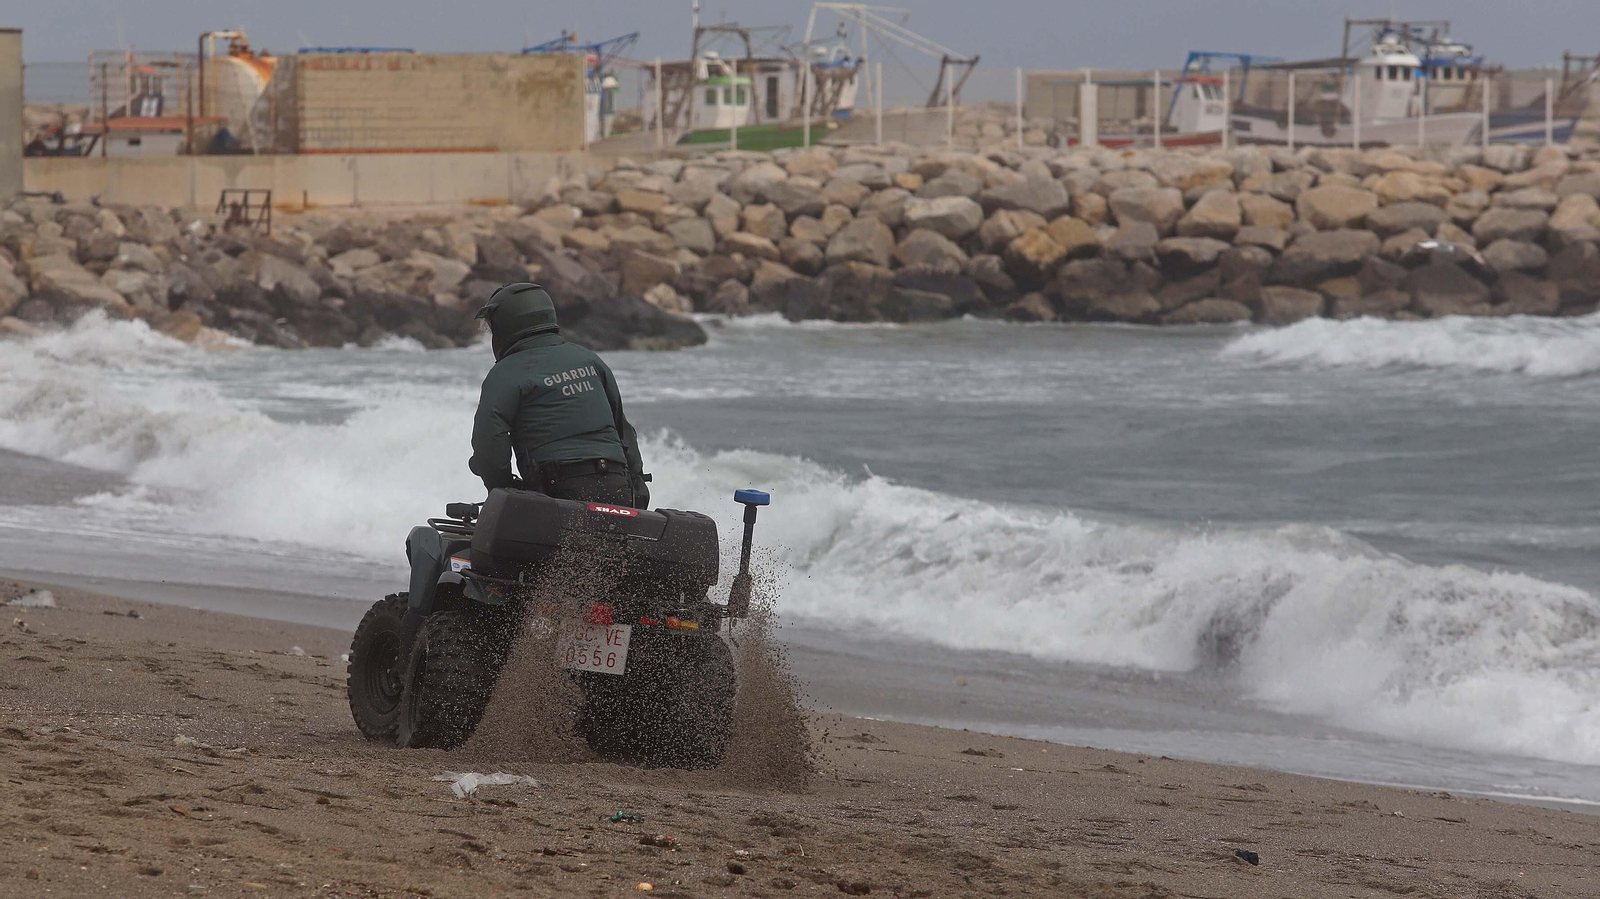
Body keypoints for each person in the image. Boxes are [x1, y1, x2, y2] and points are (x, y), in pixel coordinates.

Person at [469, 282, 650, 508]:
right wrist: (638, 481)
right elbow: (624, 430)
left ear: (507, 326)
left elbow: (488, 443)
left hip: (556, 493)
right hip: (617, 485)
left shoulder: (504, 373)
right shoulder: (589, 359)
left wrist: (502, 488)